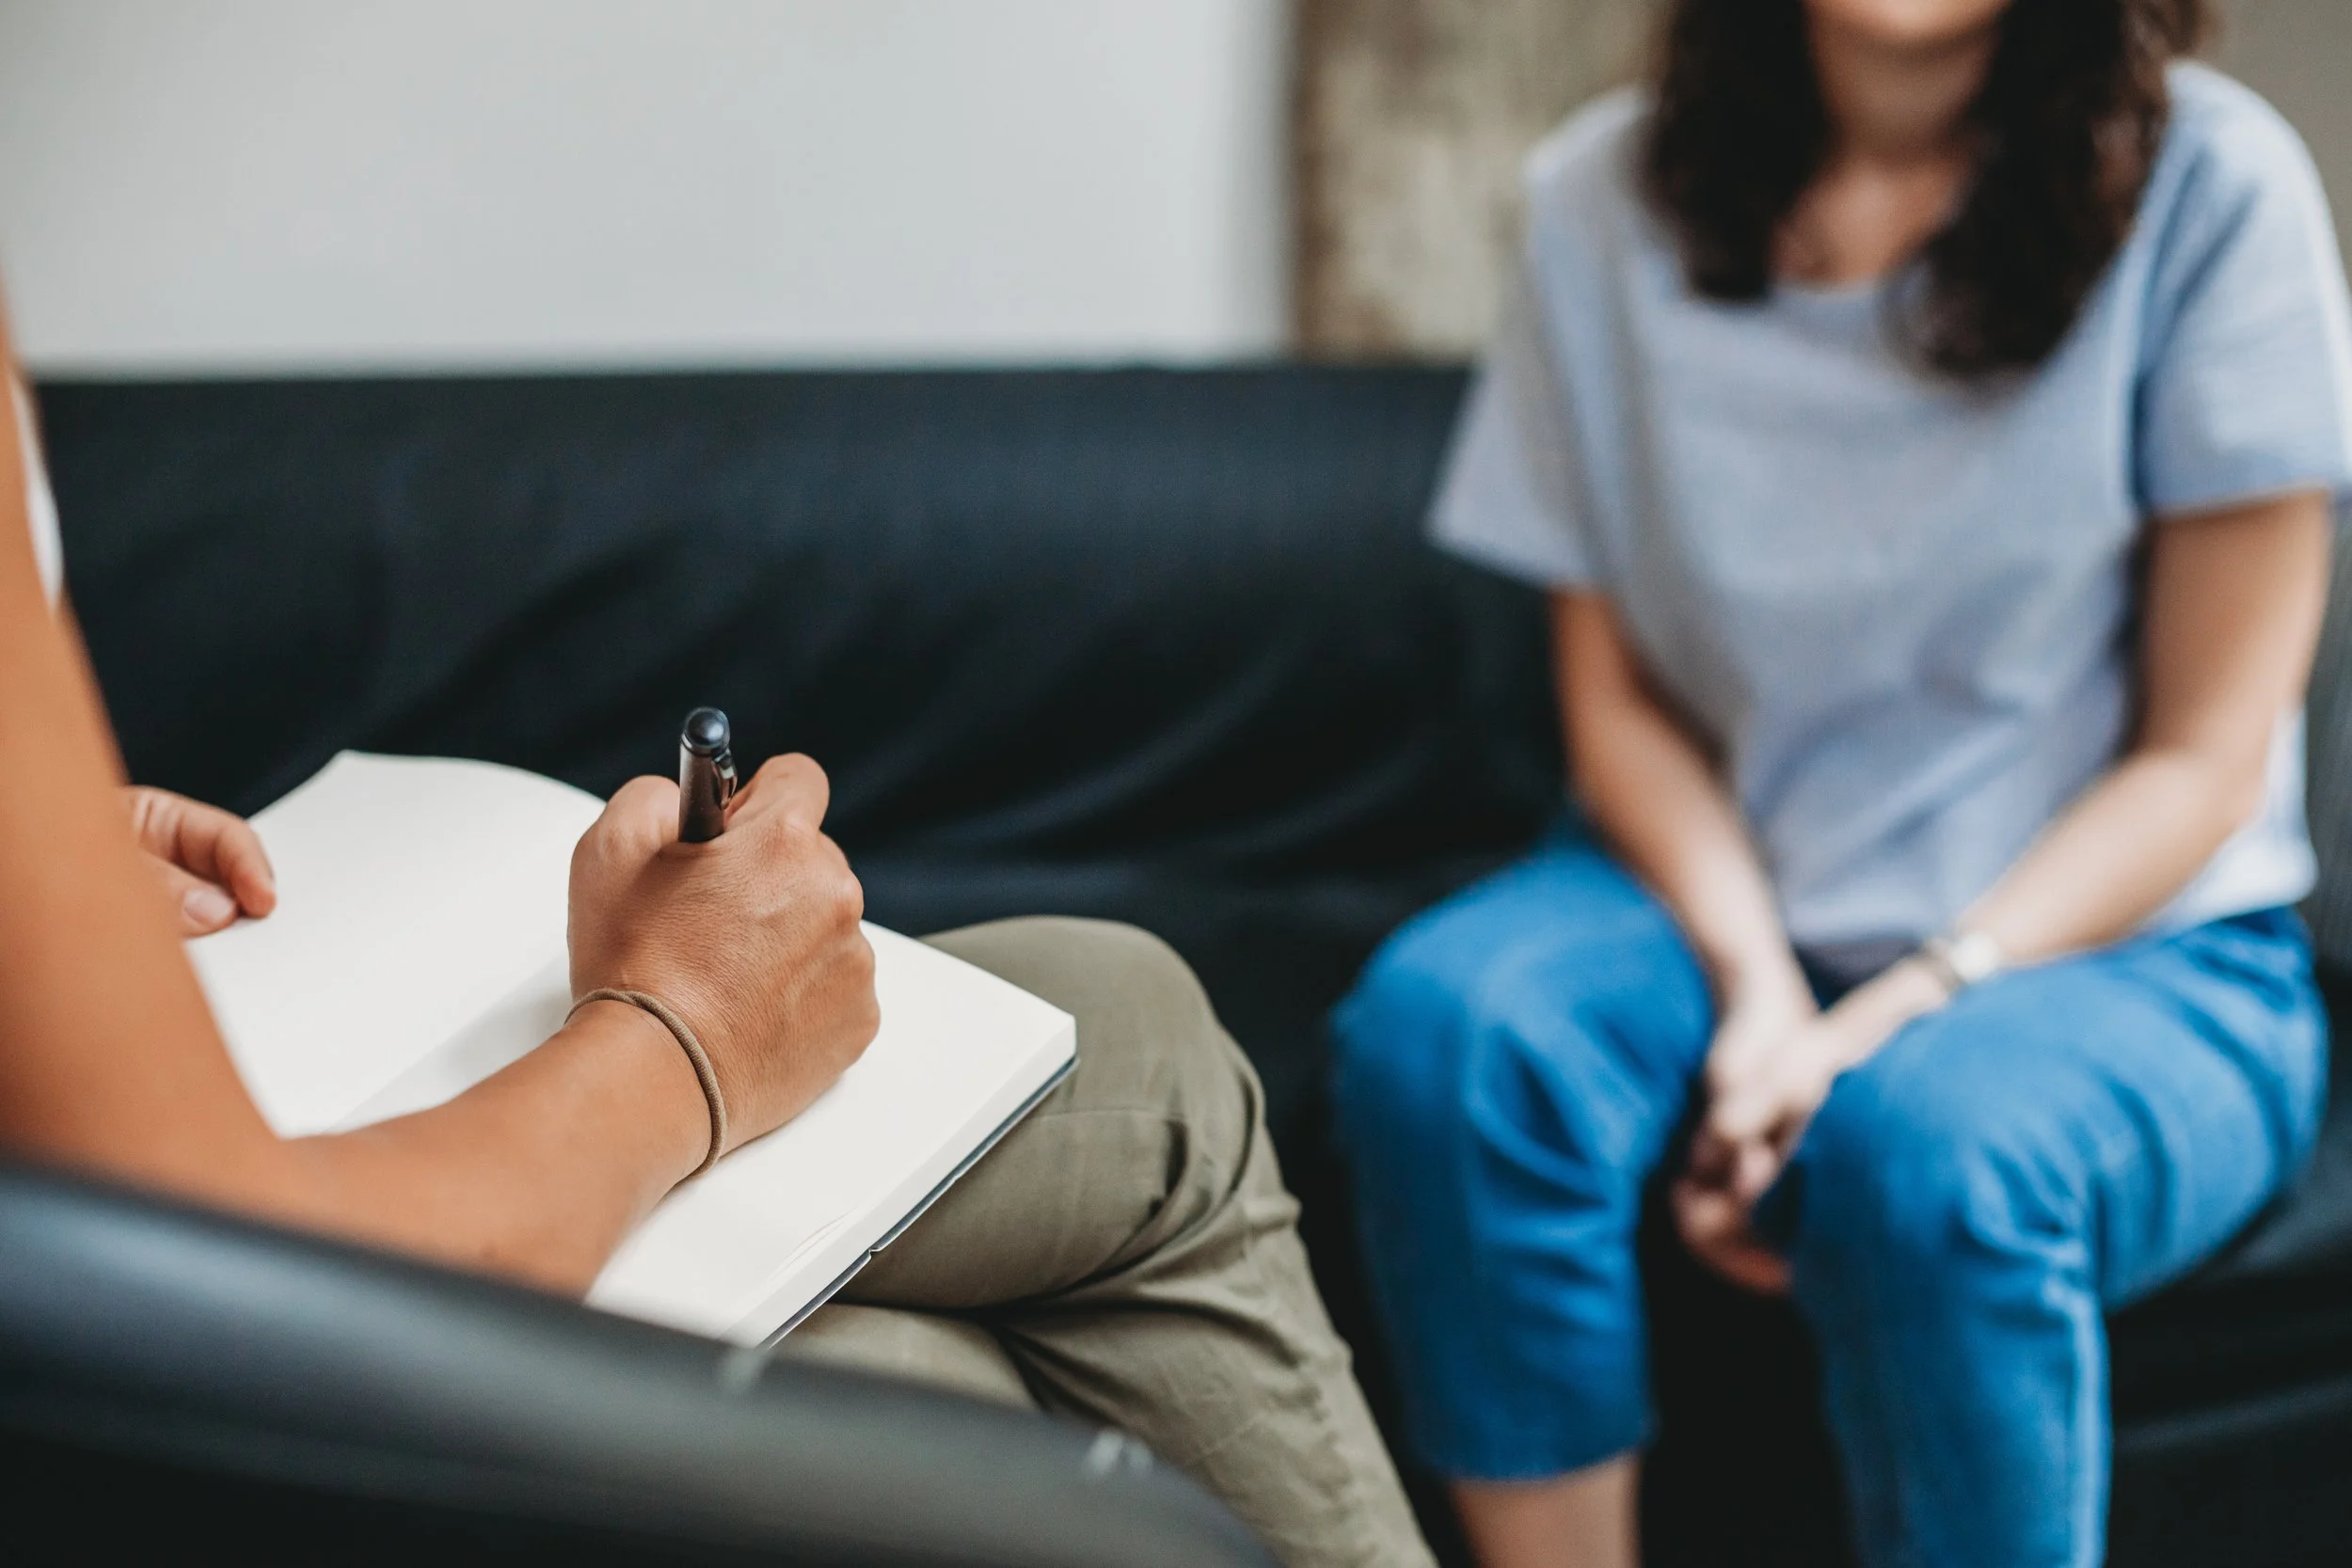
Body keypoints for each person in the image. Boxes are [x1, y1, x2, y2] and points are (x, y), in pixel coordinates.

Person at [0, 320, 1433, 1568]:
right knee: (944, 1377)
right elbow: (229, 1311)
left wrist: (50, 842)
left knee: (1118, 1026)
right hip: (152, 1363)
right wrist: (678, 1029)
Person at [1329, 2, 2344, 1566]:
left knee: (1929, 1153)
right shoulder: (1595, 200)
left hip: (2129, 946)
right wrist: (1754, 991)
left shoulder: (2220, 191)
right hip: (1719, 890)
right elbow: (1618, 707)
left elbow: (2205, 759)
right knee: (1447, 1036)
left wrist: (1885, 1018)